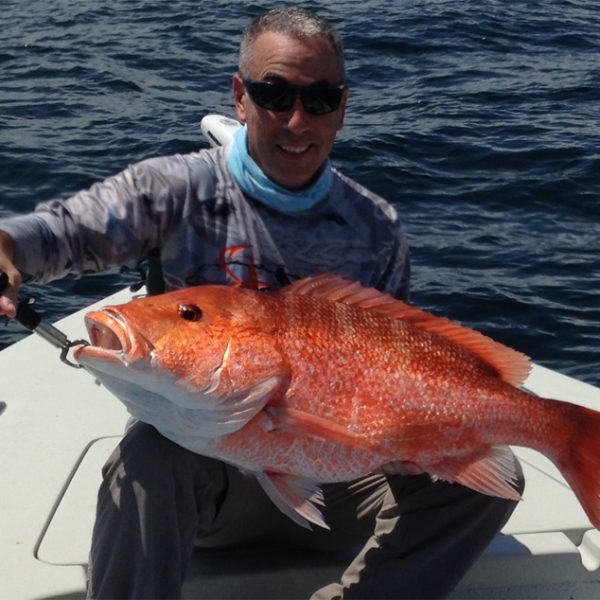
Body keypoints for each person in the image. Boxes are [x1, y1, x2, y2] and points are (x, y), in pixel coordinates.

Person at [0, 7, 522, 599]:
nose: (297, 120)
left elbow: (394, 356)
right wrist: (7, 249)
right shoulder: (177, 191)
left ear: (343, 108)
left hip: (341, 483)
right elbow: (62, 233)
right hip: (209, 489)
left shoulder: (376, 228)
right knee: (145, 457)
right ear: (240, 96)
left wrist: (405, 438)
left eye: (320, 99)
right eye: (274, 94)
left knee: (485, 481)